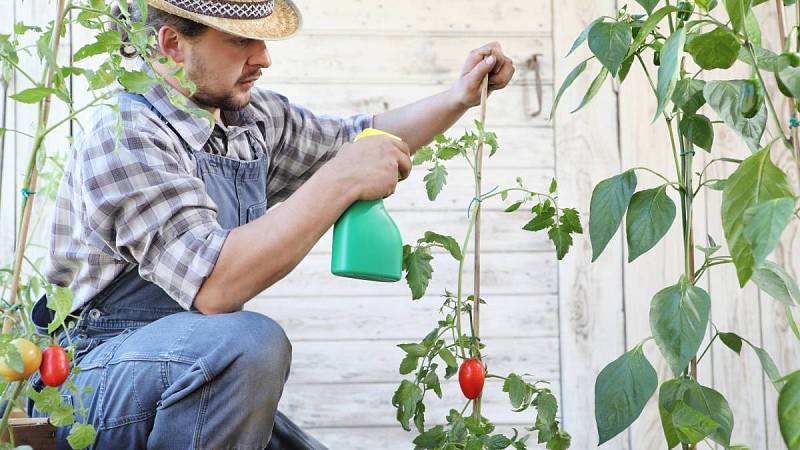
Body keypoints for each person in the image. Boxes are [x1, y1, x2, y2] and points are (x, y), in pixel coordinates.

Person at [27, 0, 515, 448]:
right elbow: (216, 287)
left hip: (191, 371)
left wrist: (458, 97)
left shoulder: (247, 121)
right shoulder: (126, 135)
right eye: (240, 40)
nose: (263, 57)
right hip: (85, 381)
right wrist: (340, 179)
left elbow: (360, 137)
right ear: (172, 44)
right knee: (247, 342)